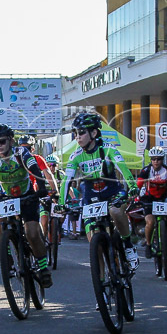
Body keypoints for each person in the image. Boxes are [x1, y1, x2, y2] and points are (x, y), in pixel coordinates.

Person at [0, 124, 56, 287]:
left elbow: (35, 169)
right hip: (7, 196)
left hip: (27, 195)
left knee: (32, 233)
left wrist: (42, 189)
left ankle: (43, 269)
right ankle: (7, 255)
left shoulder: (21, 153)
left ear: (11, 140)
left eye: (1, 141)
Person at [60, 112, 137, 272]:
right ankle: (102, 286)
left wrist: (133, 185)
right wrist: (62, 203)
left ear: (93, 133)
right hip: (91, 199)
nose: (77, 137)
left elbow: (123, 169)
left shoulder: (108, 149)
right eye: (75, 133)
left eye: (81, 132)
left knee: (115, 211)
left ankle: (128, 246)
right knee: (96, 247)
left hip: (113, 193)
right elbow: (66, 181)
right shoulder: (76, 156)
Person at [135, 147, 167, 257]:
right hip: (148, 198)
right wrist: (135, 197)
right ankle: (149, 244)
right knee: (150, 222)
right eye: (153, 159)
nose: (156, 161)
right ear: (150, 160)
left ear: (162, 159)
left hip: (162, 197)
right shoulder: (146, 170)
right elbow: (138, 185)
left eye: (158, 159)